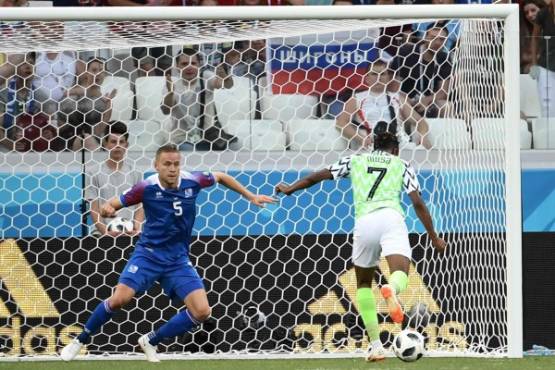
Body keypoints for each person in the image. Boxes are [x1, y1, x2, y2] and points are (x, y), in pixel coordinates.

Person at [60, 144, 276, 362]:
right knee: (119, 300)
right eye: (167, 164)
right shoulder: (145, 187)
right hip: (148, 255)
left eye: (176, 164)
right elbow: (112, 204)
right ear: (156, 166)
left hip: (177, 260)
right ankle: (80, 340)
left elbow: (220, 176)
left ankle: (150, 341)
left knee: (202, 312)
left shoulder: (192, 181)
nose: (172, 169)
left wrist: (250, 196)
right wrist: (108, 209)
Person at [275, 132, 446, 362]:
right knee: (400, 272)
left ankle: (375, 346)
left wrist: (291, 189)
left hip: (364, 223)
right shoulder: (402, 164)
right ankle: (392, 290)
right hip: (390, 218)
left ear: (374, 146)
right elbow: (417, 202)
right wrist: (434, 237)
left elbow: (318, 176)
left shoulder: (354, 160)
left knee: (363, 284)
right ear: (395, 149)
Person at [336, 59, 432, 149]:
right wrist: (361, 139)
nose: (378, 78)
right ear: (367, 78)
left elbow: (420, 122)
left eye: (382, 74)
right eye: (374, 74)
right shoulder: (357, 98)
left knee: (427, 149)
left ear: (388, 78)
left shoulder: (398, 98)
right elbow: (341, 123)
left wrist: (423, 137)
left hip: (398, 145)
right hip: (370, 146)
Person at [161, 48, 236, 151]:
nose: (189, 67)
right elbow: (165, 110)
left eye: (193, 63)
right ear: (177, 66)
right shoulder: (171, 85)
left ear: (199, 65)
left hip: (208, 137)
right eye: (184, 64)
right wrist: (170, 93)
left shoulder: (206, 77)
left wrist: (225, 77)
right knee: (190, 151)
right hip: (182, 138)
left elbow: (227, 85)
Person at [85, 121, 144, 236]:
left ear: (126, 145)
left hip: (130, 233)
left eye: (121, 142)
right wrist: (106, 232)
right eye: (113, 141)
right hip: (101, 235)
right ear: (105, 144)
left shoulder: (136, 173)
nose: (117, 145)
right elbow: (94, 209)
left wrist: (136, 229)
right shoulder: (93, 172)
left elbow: (140, 207)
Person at [392, 22, 452, 118]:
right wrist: (409, 101)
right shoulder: (406, 53)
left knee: (447, 106)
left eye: (442, 39)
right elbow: (394, 88)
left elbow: (443, 92)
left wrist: (427, 100)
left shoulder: (444, 58)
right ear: (425, 37)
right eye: (433, 38)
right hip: (407, 100)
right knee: (399, 102)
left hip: (430, 101)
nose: (437, 42)